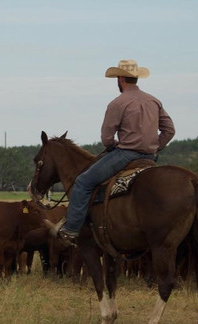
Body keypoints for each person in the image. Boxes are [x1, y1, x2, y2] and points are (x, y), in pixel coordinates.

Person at [49, 59, 176, 245]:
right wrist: (155, 147)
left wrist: (113, 144)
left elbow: (106, 138)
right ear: (136, 78)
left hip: (125, 155)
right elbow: (169, 130)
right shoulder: (154, 100)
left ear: (120, 78)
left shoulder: (117, 103)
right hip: (150, 157)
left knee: (83, 182)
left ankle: (71, 229)